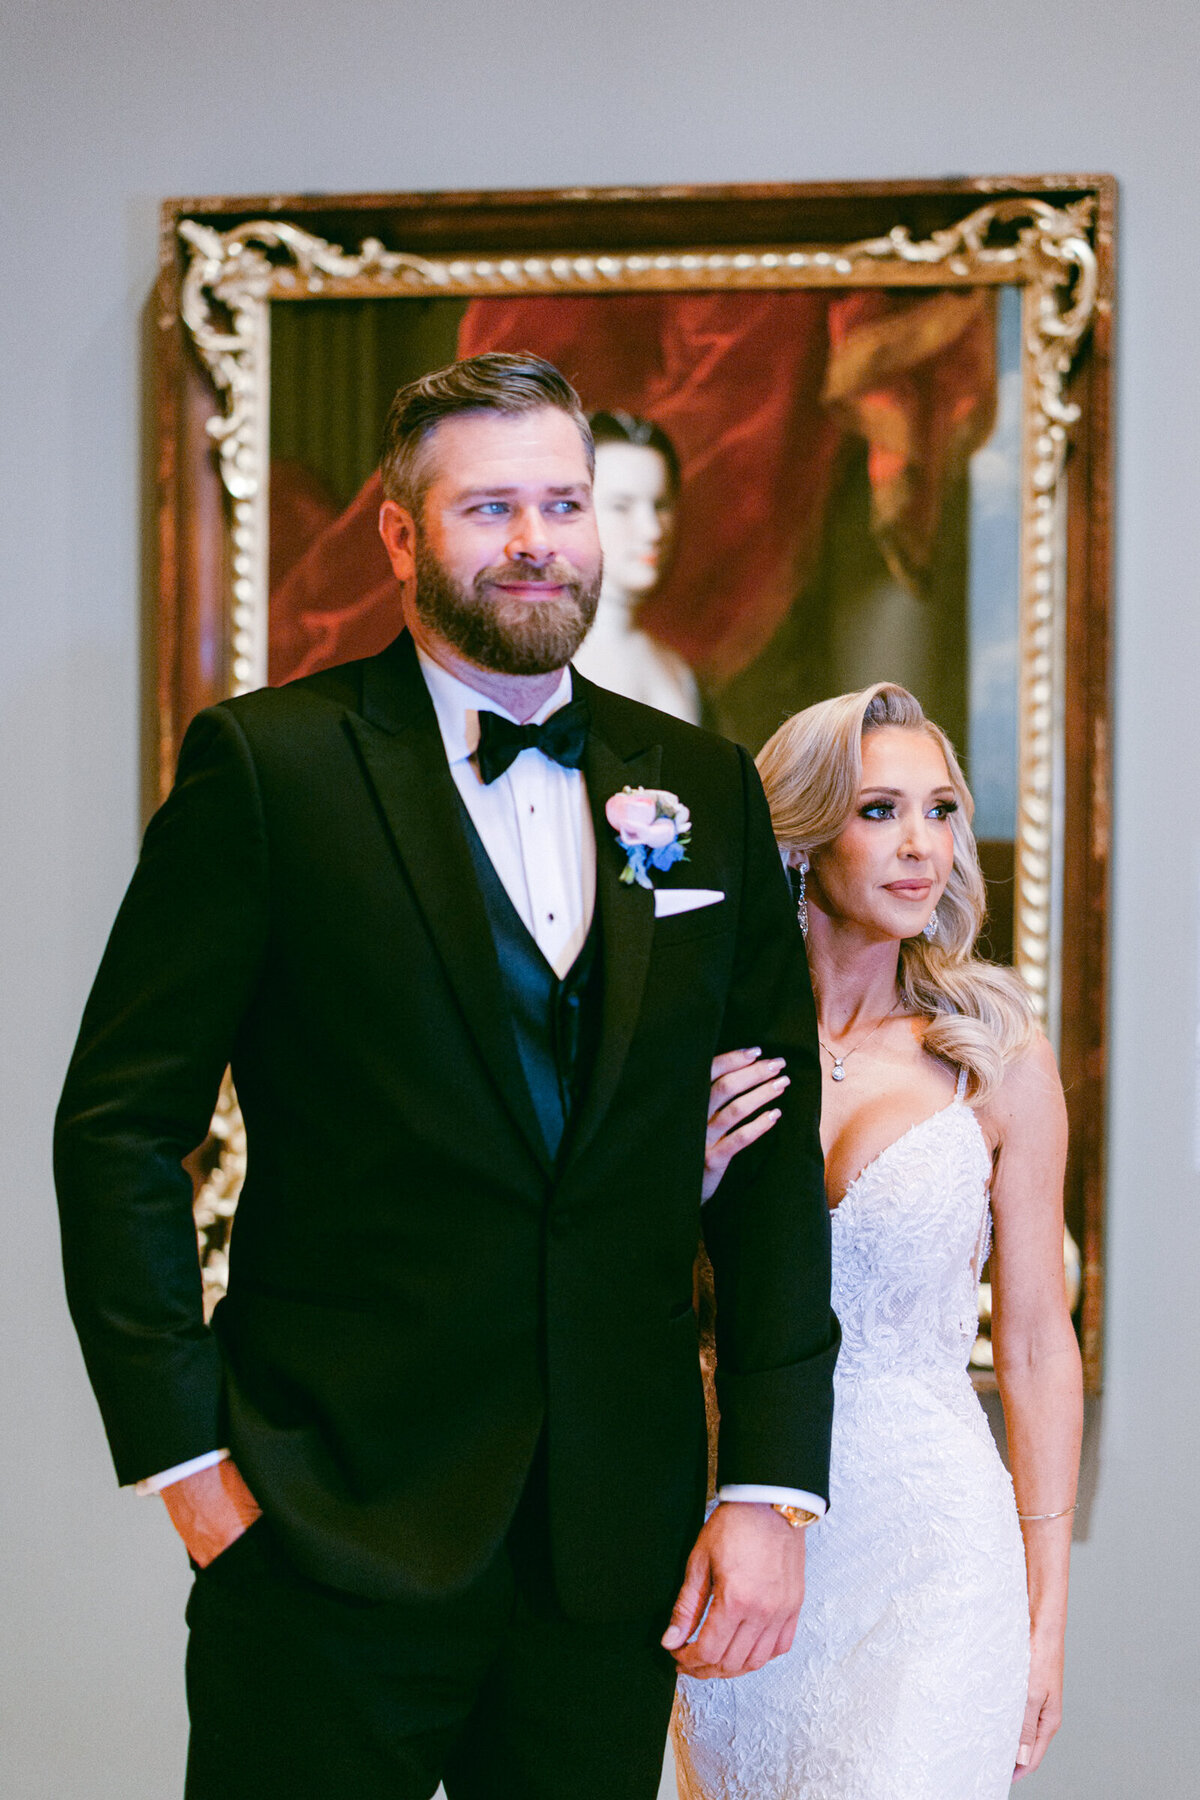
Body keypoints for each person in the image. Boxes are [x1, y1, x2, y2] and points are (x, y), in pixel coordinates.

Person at [54, 353, 839, 1800]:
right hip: (321, 1516)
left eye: (563, 502)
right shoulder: (269, 768)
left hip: (609, 1545)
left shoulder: (702, 786)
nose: (537, 539)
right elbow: (116, 1128)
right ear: (404, 537)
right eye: (490, 508)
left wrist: (767, 1487)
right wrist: (182, 1459)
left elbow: (777, 1161)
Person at [674, 683, 1083, 1800]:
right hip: (741, 1536)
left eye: (942, 810)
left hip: (937, 1554)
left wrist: (1046, 1612)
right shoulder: (697, 1047)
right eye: (881, 811)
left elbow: (1041, 1343)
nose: (923, 846)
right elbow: (619, 1294)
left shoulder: (993, 1052)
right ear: (802, 839)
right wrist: (685, 1180)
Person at [571, 409, 701, 723]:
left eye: (660, 506)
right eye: (621, 506)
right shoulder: (540, 665)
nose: (653, 531)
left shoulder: (675, 669)